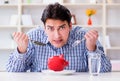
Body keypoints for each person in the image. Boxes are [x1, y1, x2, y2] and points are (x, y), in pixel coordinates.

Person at [6, 3, 111, 72]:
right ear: (44, 28)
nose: (56, 35)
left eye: (61, 28)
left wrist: (92, 49)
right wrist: (21, 51)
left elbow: (105, 70)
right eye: (50, 28)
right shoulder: (33, 37)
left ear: (70, 25)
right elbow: (12, 72)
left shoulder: (84, 37)